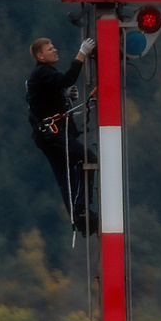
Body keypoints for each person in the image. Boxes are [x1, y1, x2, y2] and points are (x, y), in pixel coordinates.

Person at [26, 36, 97, 235]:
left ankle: (78, 215)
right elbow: (67, 79)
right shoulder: (41, 72)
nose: (55, 50)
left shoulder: (42, 74)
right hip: (52, 134)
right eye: (50, 49)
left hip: (48, 134)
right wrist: (82, 53)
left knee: (66, 176)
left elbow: (44, 100)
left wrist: (63, 98)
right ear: (40, 56)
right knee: (87, 158)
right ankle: (81, 210)